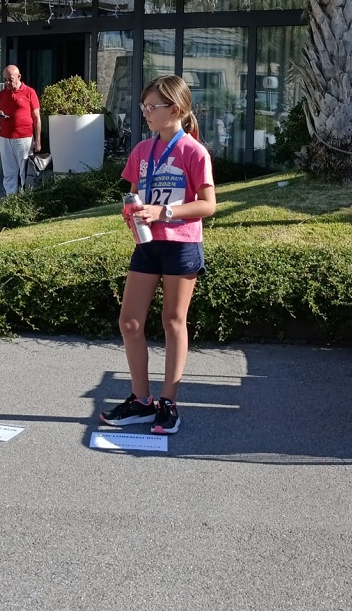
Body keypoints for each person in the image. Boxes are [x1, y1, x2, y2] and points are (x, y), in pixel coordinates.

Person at [100, 75, 216, 435]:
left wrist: (164, 213)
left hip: (181, 244)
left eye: (153, 107)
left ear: (176, 110)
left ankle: (169, 402)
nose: (146, 113)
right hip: (147, 244)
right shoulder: (141, 151)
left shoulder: (193, 151)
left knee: (173, 322)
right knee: (130, 322)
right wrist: (132, 211)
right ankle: (141, 399)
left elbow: (208, 205)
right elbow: (135, 193)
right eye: (144, 107)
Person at [0, 65, 41, 194]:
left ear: (18, 77)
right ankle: (11, 201)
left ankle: (26, 199)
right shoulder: (2, 93)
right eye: (5, 79)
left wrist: (38, 140)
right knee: (9, 172)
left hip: (24, 138)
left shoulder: (29, 92)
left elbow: (36, 117)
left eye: (10, 79)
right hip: (5, 137)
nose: (7, 83)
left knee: (26, 172)